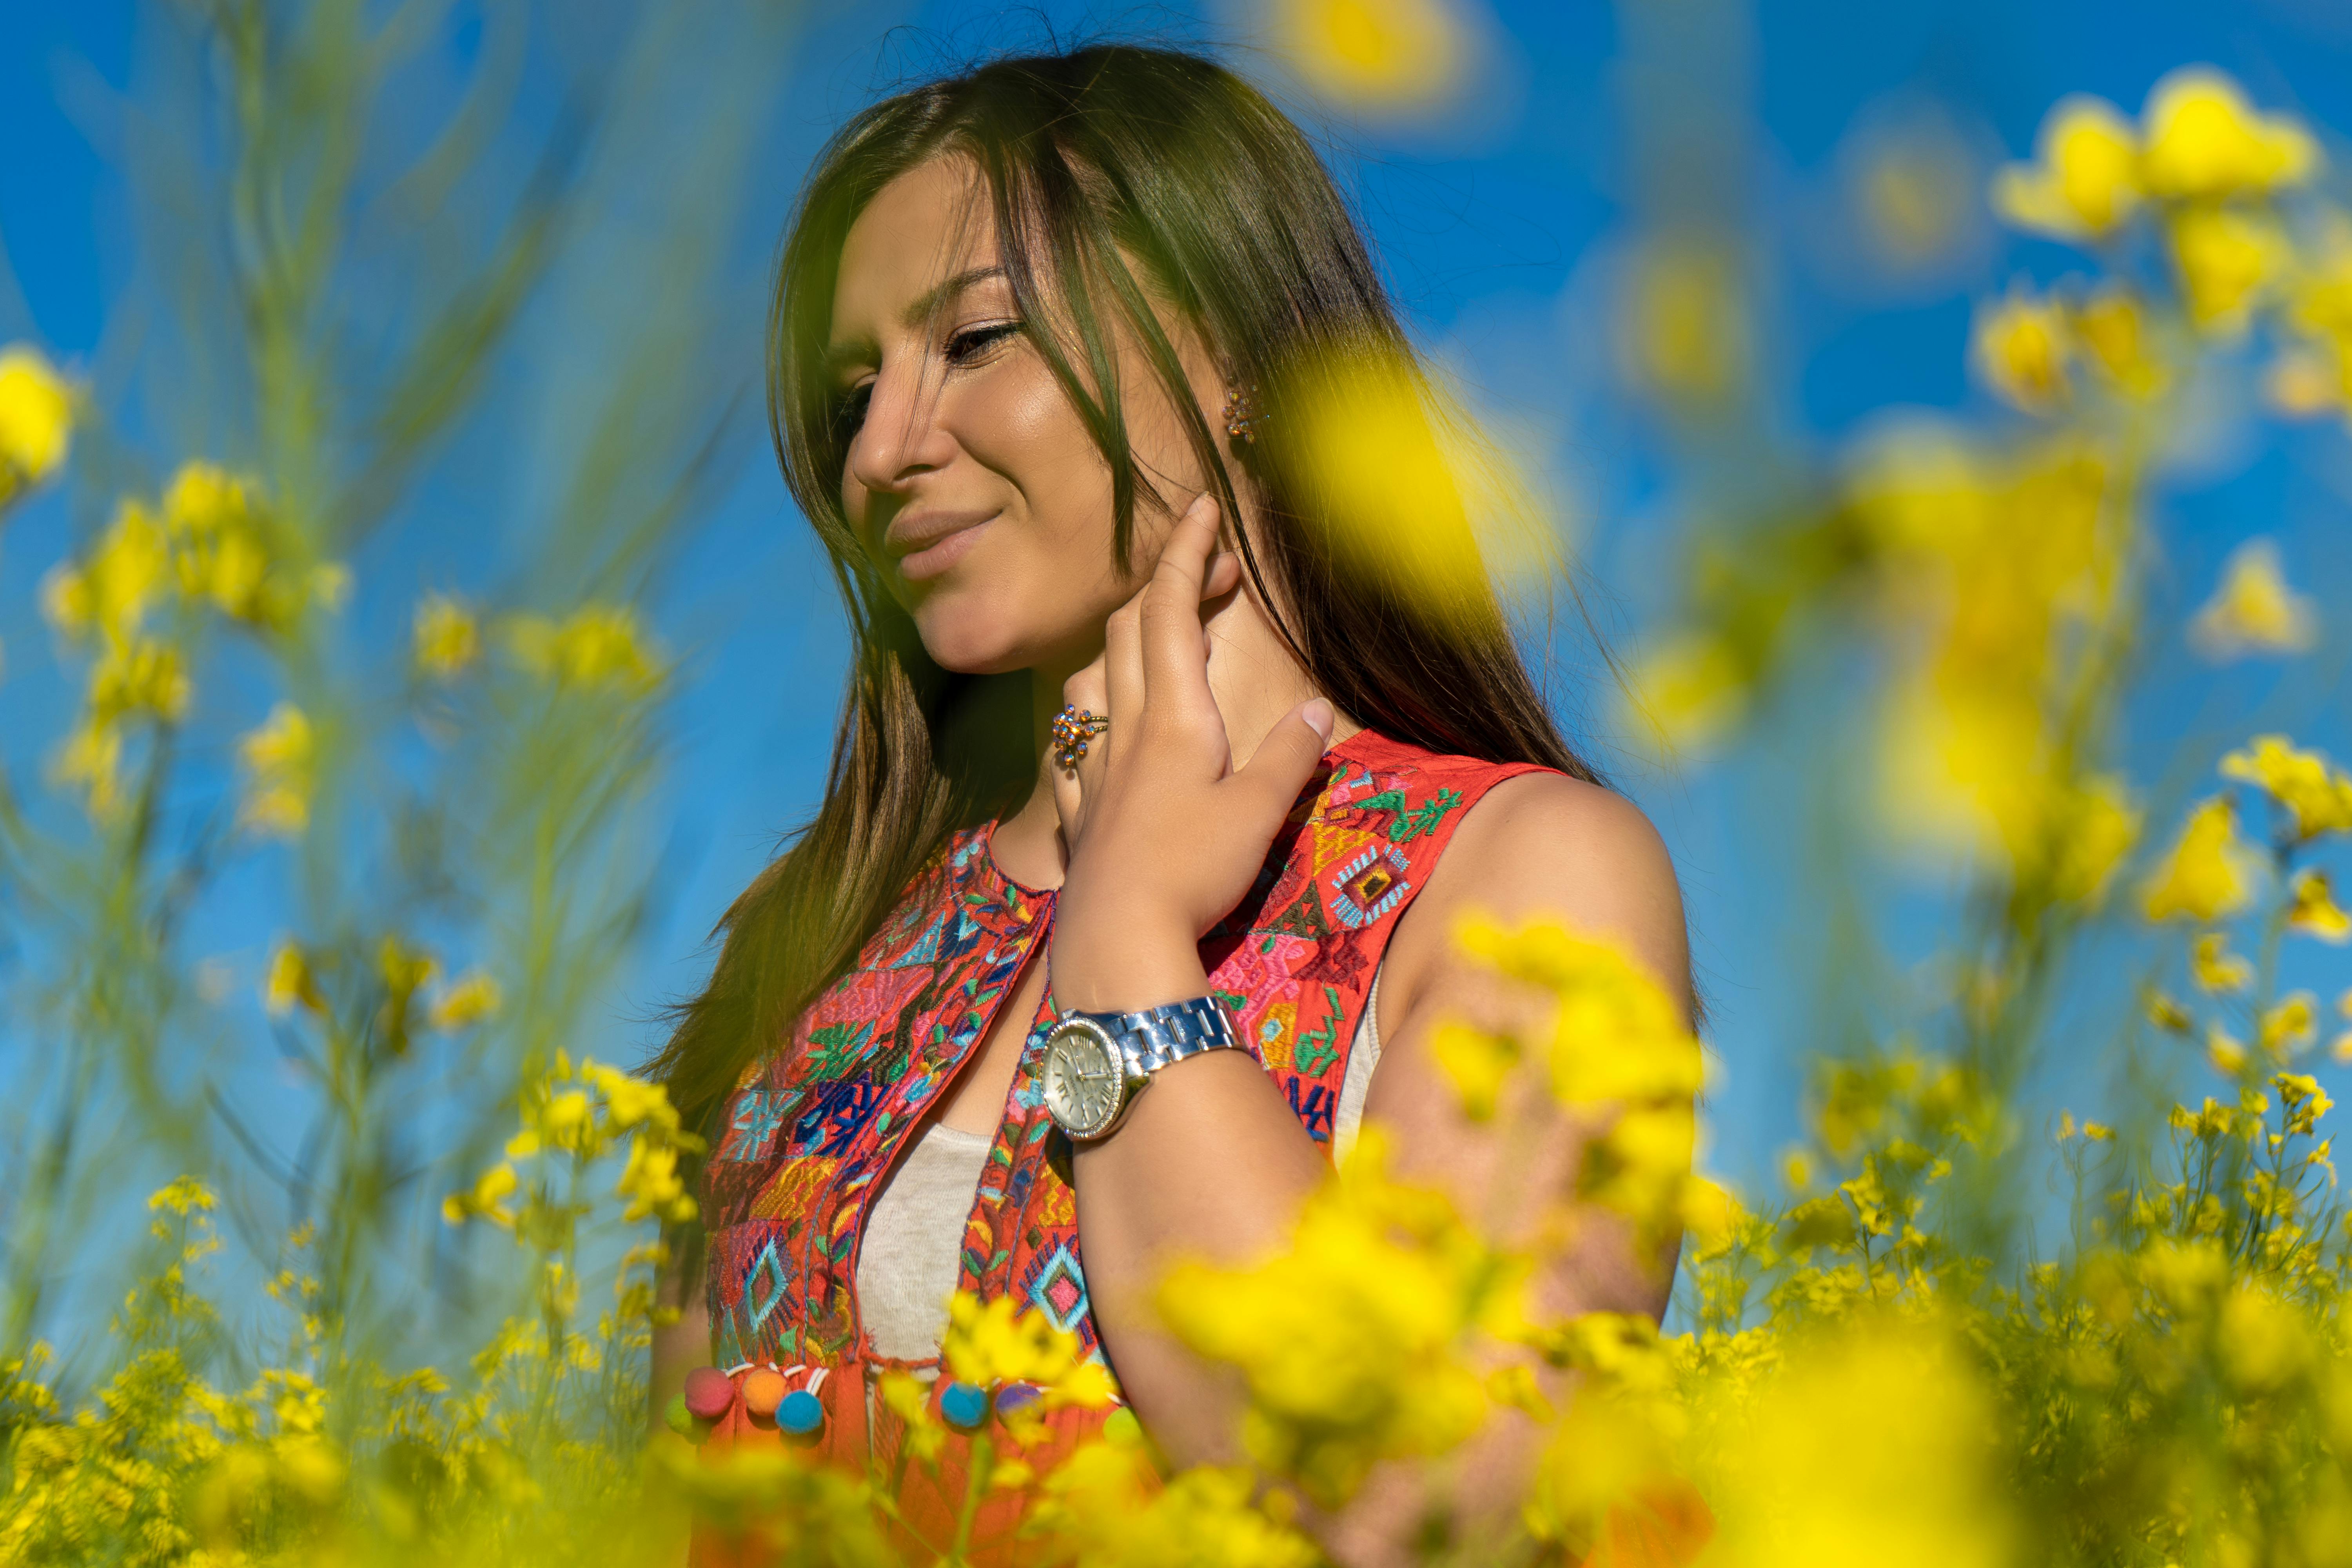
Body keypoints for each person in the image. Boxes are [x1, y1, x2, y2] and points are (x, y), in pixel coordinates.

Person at [646, 41, 1698, 1567]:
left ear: (1245, 362)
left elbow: (1420, 1507)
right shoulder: (824, 940)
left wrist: (1129, 943)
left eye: (979, 339)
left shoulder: (1528, 875)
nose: (879, 451)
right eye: (855, 390)